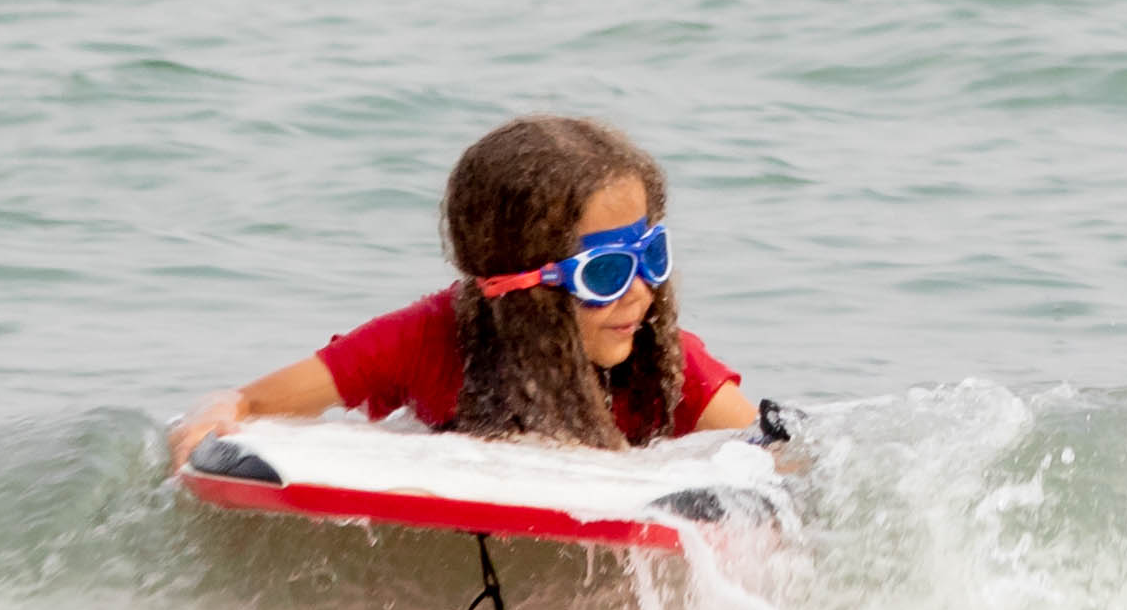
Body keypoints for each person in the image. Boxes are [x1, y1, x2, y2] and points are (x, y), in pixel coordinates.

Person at [164, 114, 760, 461]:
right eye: (605, 273)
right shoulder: (427, 338)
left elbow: (770, 451)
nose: (640, 293)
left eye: (651, 258)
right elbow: (247, 403)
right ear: (523, 288)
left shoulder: (665, 365)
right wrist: (207, 421)